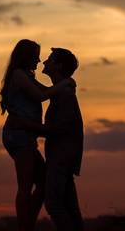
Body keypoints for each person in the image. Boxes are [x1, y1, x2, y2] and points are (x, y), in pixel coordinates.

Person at [0, 40, 76, 231]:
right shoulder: (18, 75)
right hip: (19, 135)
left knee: (42, 184)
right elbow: (41, 96)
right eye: (36, 56)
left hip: (26, 136)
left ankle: (27, 225)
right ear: (26, 56)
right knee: (25, 186)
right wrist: (66, 82)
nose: (39, 60)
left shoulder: (25, 75)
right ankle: (25, 227)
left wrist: (63, 85)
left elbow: (45, 91)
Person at [40, 47, 85, 231]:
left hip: (61, 157)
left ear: (58, 66)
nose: (44, 62)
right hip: (62, 157)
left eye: (50, 59)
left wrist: (30, 128)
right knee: (69, 208)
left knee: (54, 204)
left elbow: (61, 127)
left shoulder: (65, 94)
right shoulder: (61, 91)